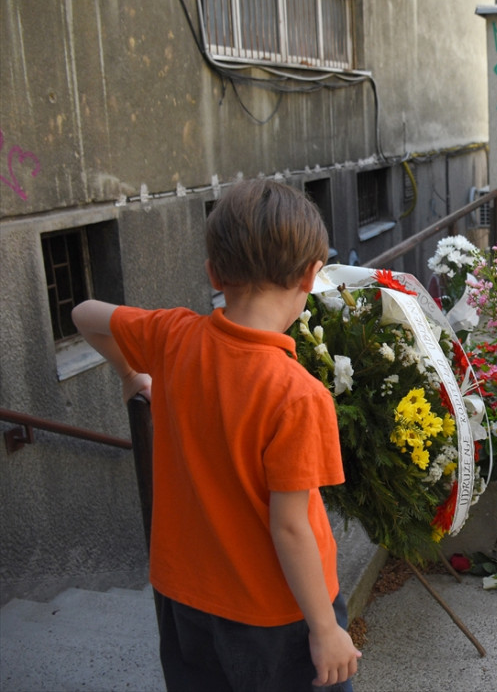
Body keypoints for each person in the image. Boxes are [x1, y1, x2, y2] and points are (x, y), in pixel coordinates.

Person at [72, 180, 361, 690]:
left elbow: (84, 315)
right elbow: (290, 527)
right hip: (277, 616)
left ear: (213, 273)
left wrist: (131, 375)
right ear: (310, 275)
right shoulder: (298, 394)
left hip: (183, 597)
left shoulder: (172, 336)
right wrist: (324, 629)